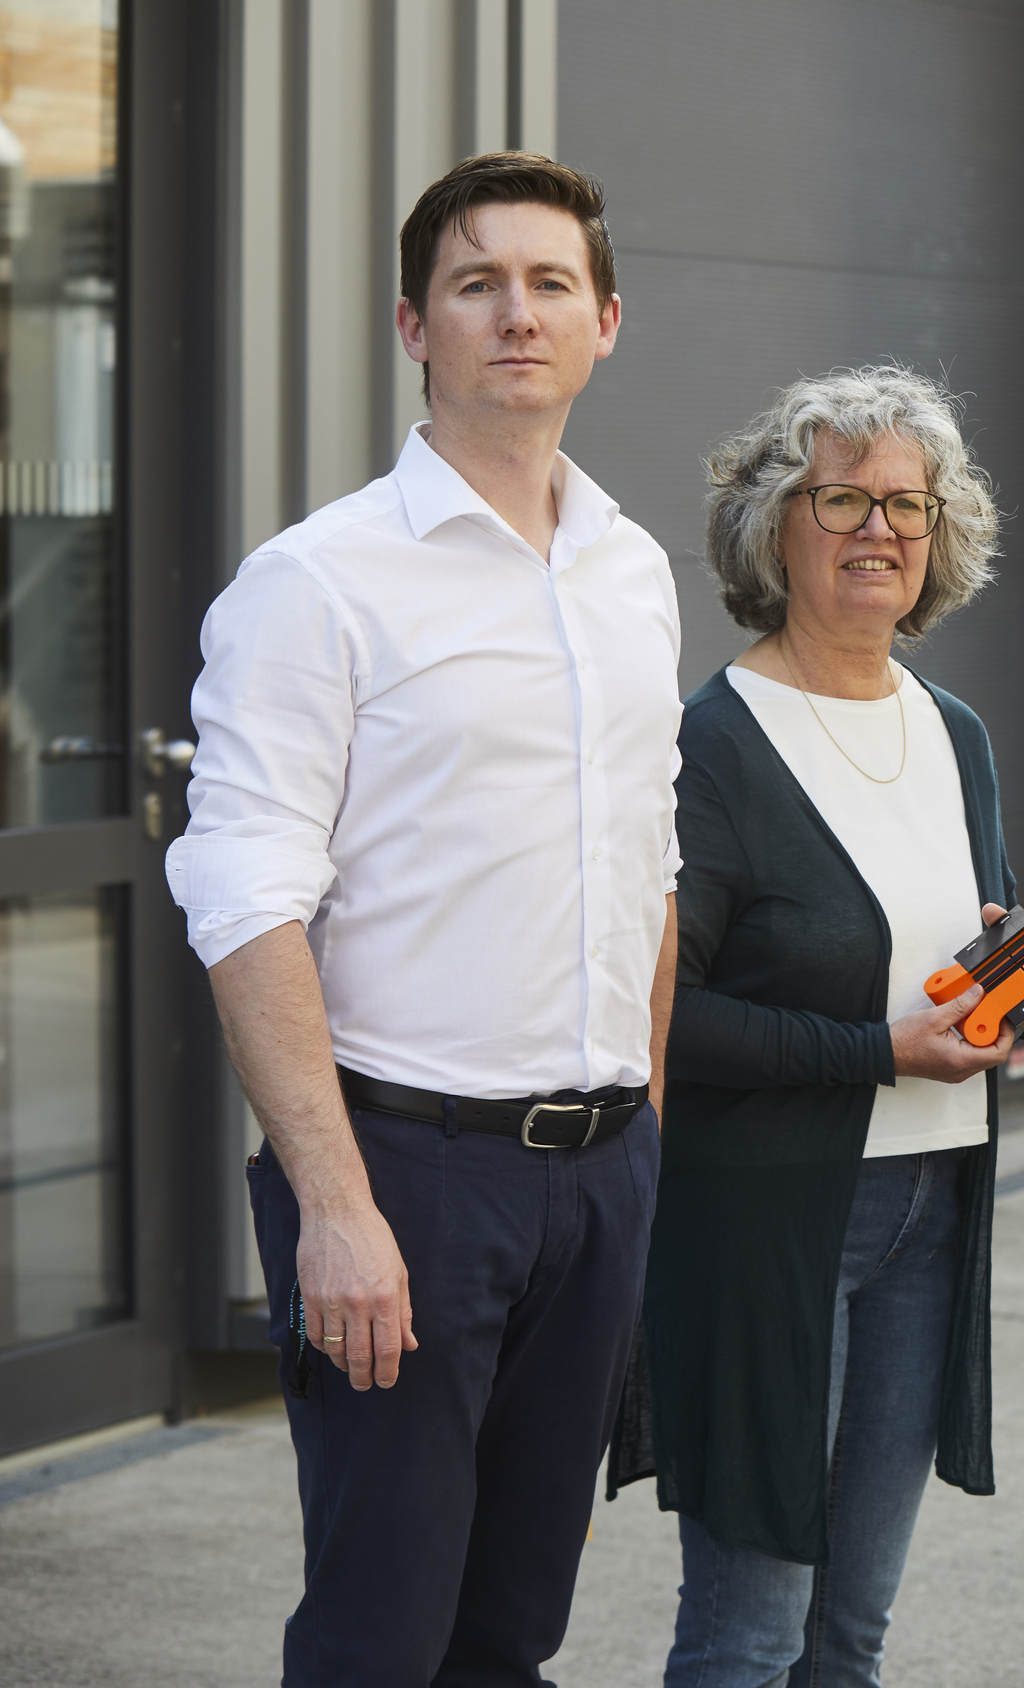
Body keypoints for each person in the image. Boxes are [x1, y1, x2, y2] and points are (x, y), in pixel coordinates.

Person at [164, 152, 679, 1685]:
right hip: (406, 1180)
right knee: (380, 1633)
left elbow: (650, 867)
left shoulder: (632, 571)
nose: (515, 315)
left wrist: (642, 1130)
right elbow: (245, 900)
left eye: (547, 284)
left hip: (597, 1180)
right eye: (476, 284)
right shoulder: (316, 584)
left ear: (605, 323)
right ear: (413, 326)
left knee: (515, 1632)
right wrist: (335, 1204)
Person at [633, 366, 1024, 1688]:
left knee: (852, 1636)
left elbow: (960, 954)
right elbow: (662, 1020)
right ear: (779, 523)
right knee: (750, 1637)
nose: (878, 530)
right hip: (774, 1224)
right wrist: (874, 1053)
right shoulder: (711, 745)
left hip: (929, 1219)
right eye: (843, 499)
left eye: (908, 503)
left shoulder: (954, 733)